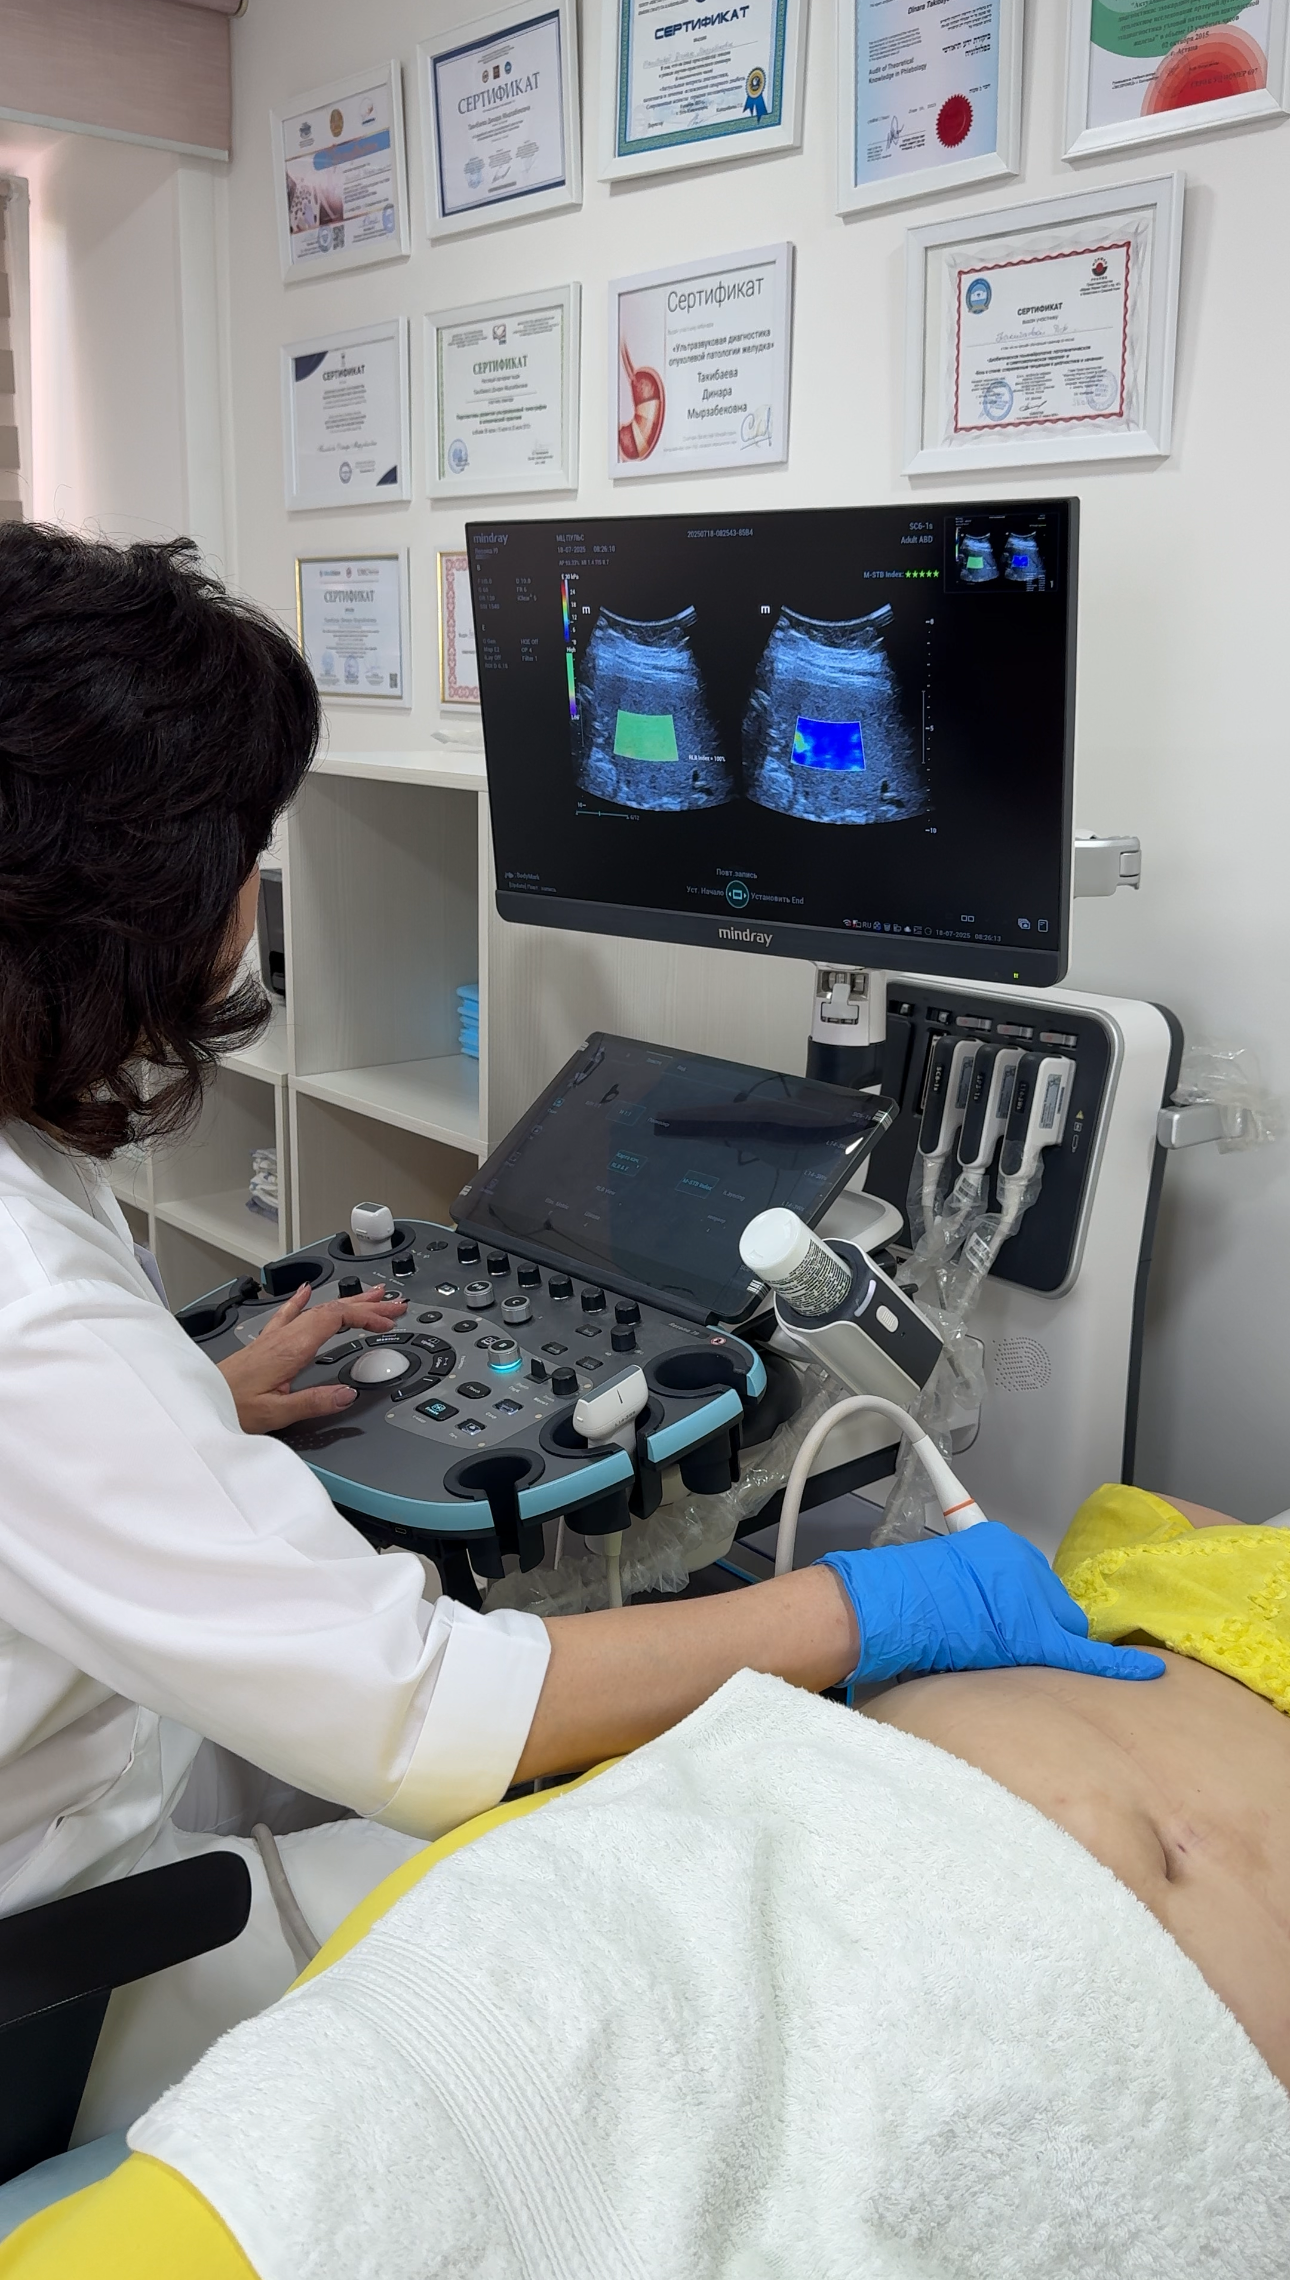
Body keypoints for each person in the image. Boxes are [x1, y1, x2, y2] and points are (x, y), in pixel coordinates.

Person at [0, 524, 1159, 2130]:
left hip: (82, 1789)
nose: (253, 899)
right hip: (59, 1954)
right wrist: (869, 1605)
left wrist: (178, 1416)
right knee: (652, 1930)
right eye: (241, 851)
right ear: (126, 901)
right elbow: (423, 1717)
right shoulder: (32, 1309)